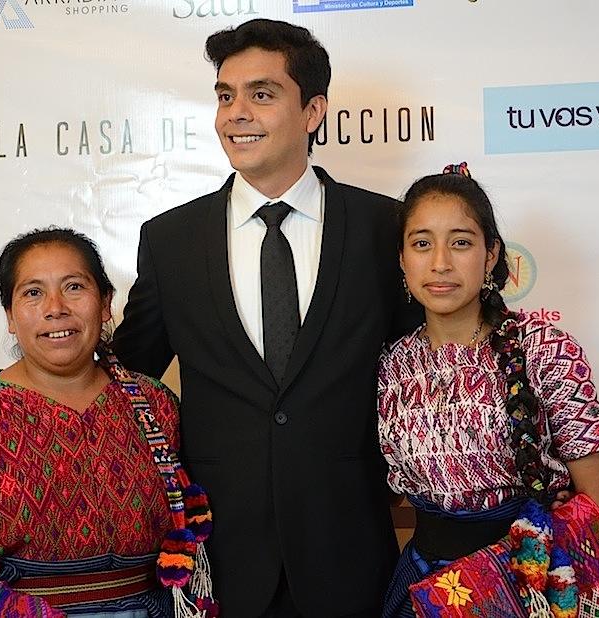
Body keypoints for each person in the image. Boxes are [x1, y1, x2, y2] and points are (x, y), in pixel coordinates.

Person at [112, 18, 420, 618]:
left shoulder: (386, 229)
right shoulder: (171, 241)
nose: (236, 114)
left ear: (313, 112)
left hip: (350, 554)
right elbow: (127, 381)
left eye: (261, 94)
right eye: (225, 96)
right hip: (222, 563)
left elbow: (430, 368)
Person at [0, 228, 215, 618]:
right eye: (33, 292)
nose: (55, 308)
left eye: (74, 287)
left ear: (105, 304)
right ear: (10, 316)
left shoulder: (154, 405)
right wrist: (0, 609)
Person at [378, 163, 599, 617]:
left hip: (529, 589)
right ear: (401, 258)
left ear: (491, 254)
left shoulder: (544, 348)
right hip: (427, 593)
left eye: (461, 242)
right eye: (422, 243)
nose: (440, 263)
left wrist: (487, 581)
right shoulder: (392, 365)